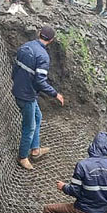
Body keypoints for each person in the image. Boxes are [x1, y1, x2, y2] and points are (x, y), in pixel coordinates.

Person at [11, 24, 65, 170]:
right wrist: (55, 94)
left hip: (20, 89)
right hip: (26, 95)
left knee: (38, 116)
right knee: (29, 126)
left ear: (39, 34)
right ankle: (22, 157)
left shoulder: (25, 46)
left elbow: (15, 67)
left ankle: (35, 150)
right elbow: (40, 81)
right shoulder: (43, 56)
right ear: (51, 40)